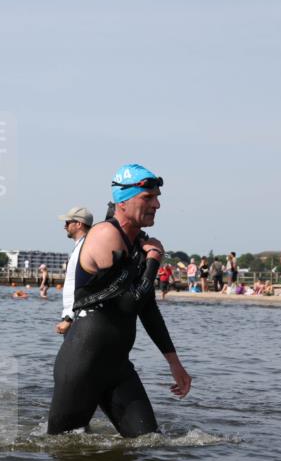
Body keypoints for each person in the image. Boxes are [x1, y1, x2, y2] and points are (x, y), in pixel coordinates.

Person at [48, 164, 191, 438]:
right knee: (64, 450)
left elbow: (147, 308)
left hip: (117, 366)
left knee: (149, 442)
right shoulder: (105, 235)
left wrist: (174, 363)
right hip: (83, 363)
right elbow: (128, 303)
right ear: (122, 201)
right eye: (148, 198)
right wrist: (152, 262)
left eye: (157, 197)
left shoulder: (138, 242)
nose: (157, 204)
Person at [56, 206, 93, 334]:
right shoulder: (84, 245)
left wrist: (68, 318)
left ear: (78, 224)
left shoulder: (83, 249)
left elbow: (81, 285)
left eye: (67, 222)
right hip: (78, 315)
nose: (64, 226)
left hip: (78, 317)